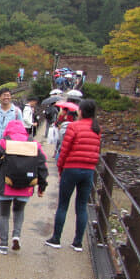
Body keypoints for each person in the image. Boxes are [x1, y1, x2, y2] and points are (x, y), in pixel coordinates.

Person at [45, 99, 101, 251]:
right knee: (81, 206)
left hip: (72, 167)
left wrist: (60, 167)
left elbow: (65, 149)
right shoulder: (96, 128)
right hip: (88, 170)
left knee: (63, 204)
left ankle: (56, 238)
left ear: (80, 111)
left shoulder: (74, 126)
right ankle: (78, 242)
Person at [0, 120, 48, 254]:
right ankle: (16, 235)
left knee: (4, 214)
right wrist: (42, 187)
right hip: (26, 187)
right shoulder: (34, 144)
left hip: (6, 185)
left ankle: (3, 245)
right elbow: (42, 166)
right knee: (19, 211)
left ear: (7, 130)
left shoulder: (2, 143)